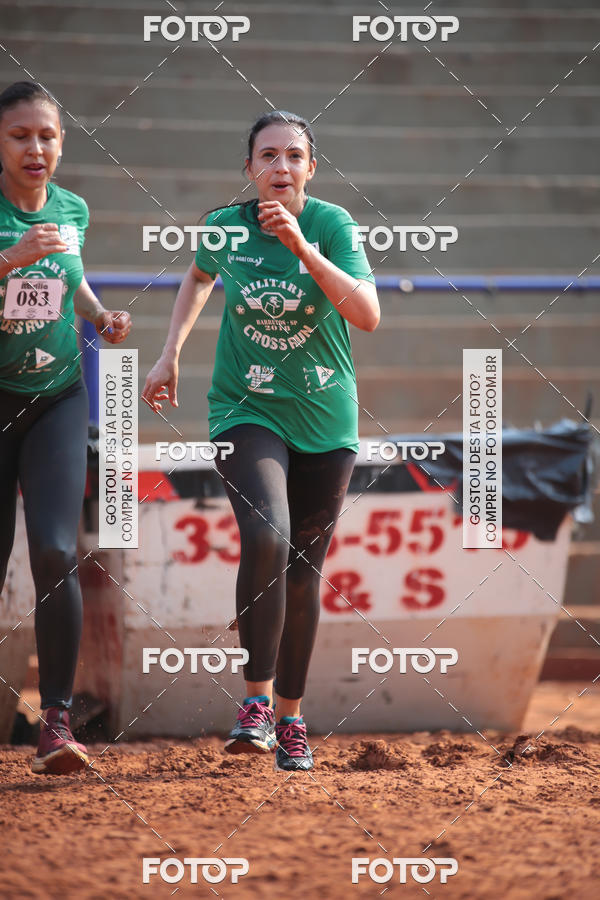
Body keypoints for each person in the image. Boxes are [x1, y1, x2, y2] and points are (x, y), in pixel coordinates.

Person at [142, 110, 379, 771]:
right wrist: (170, 353)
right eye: (267, 156)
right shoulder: (224, 227)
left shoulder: (332, 226)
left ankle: (292, 720)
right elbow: (197, 276)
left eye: (293, 156)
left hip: (327, 421)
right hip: (243, 407)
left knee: (304, 571)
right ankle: (254, 703)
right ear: (248, 169)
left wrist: (303, 248)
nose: (280, 167)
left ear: (310, 168)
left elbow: (369, 315)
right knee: (268, 535)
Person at [0, 81, 131, 774]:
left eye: (46, 136)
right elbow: (25, 267)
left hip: (56, 395)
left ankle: (56, 722)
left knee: (55, 551)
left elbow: (70, 278)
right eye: (21, 135)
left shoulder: (73, 206)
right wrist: (9, 260)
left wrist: (100, 315)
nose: (36, 148)